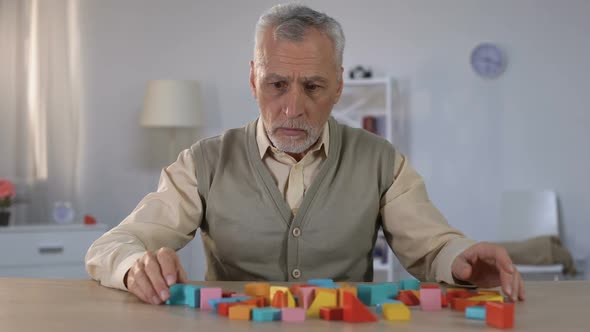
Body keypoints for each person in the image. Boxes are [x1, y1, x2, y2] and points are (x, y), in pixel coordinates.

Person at [85, 3, 524, 306]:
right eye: (277, 84)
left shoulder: (381, 162)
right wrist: (134, 266)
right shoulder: (202, 163)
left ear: (338, 86)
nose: (293, 107)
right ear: (254, 81)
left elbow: (433, 248)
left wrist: (462, 262)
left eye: (312, 86)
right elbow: (113, 246)